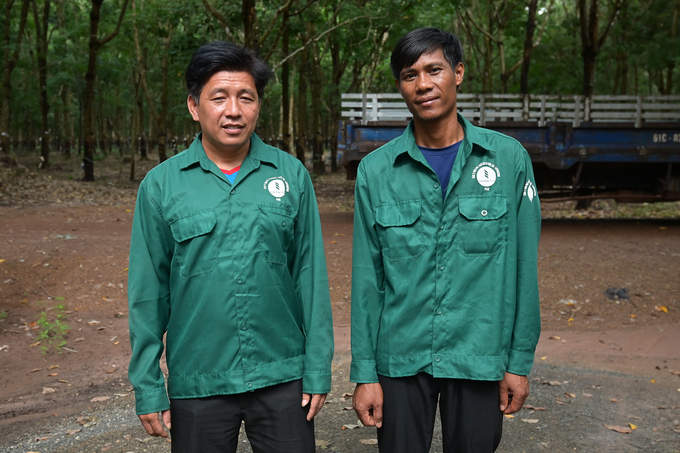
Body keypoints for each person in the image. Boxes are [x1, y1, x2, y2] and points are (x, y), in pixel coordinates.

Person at [127, 41, 334, 453]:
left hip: (282, 376)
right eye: (218, 97)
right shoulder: (161, 186)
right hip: (199, 379)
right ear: (194, 106)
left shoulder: (290, 175)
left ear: (258, 105)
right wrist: (148, 386)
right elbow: (148, 295)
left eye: (246, 97)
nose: (233, 111)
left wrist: (317, 368)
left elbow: (309, 278)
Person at [350, 27, 541, 453]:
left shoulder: (508, 160)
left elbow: (524, 269)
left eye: (434, 70)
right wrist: (365, 373)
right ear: (400, 86)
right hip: (400, 359)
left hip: (478, 353)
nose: (423, 84)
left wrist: (517, 362)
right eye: (409, 74)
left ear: (458, 73)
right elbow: (368, 279)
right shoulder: (377, 171)